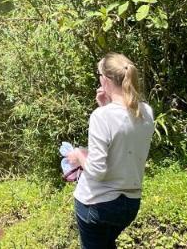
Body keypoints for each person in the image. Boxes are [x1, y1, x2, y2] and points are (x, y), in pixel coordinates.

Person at [66, 53, 155, 249]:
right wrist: (106, 106)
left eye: (99, 74)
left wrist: (79, 154)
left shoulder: (101, 117)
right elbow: (123, 143)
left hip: (97, 206)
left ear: (105, 80)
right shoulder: (146, 112)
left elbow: (98, 171)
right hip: (129, 205)